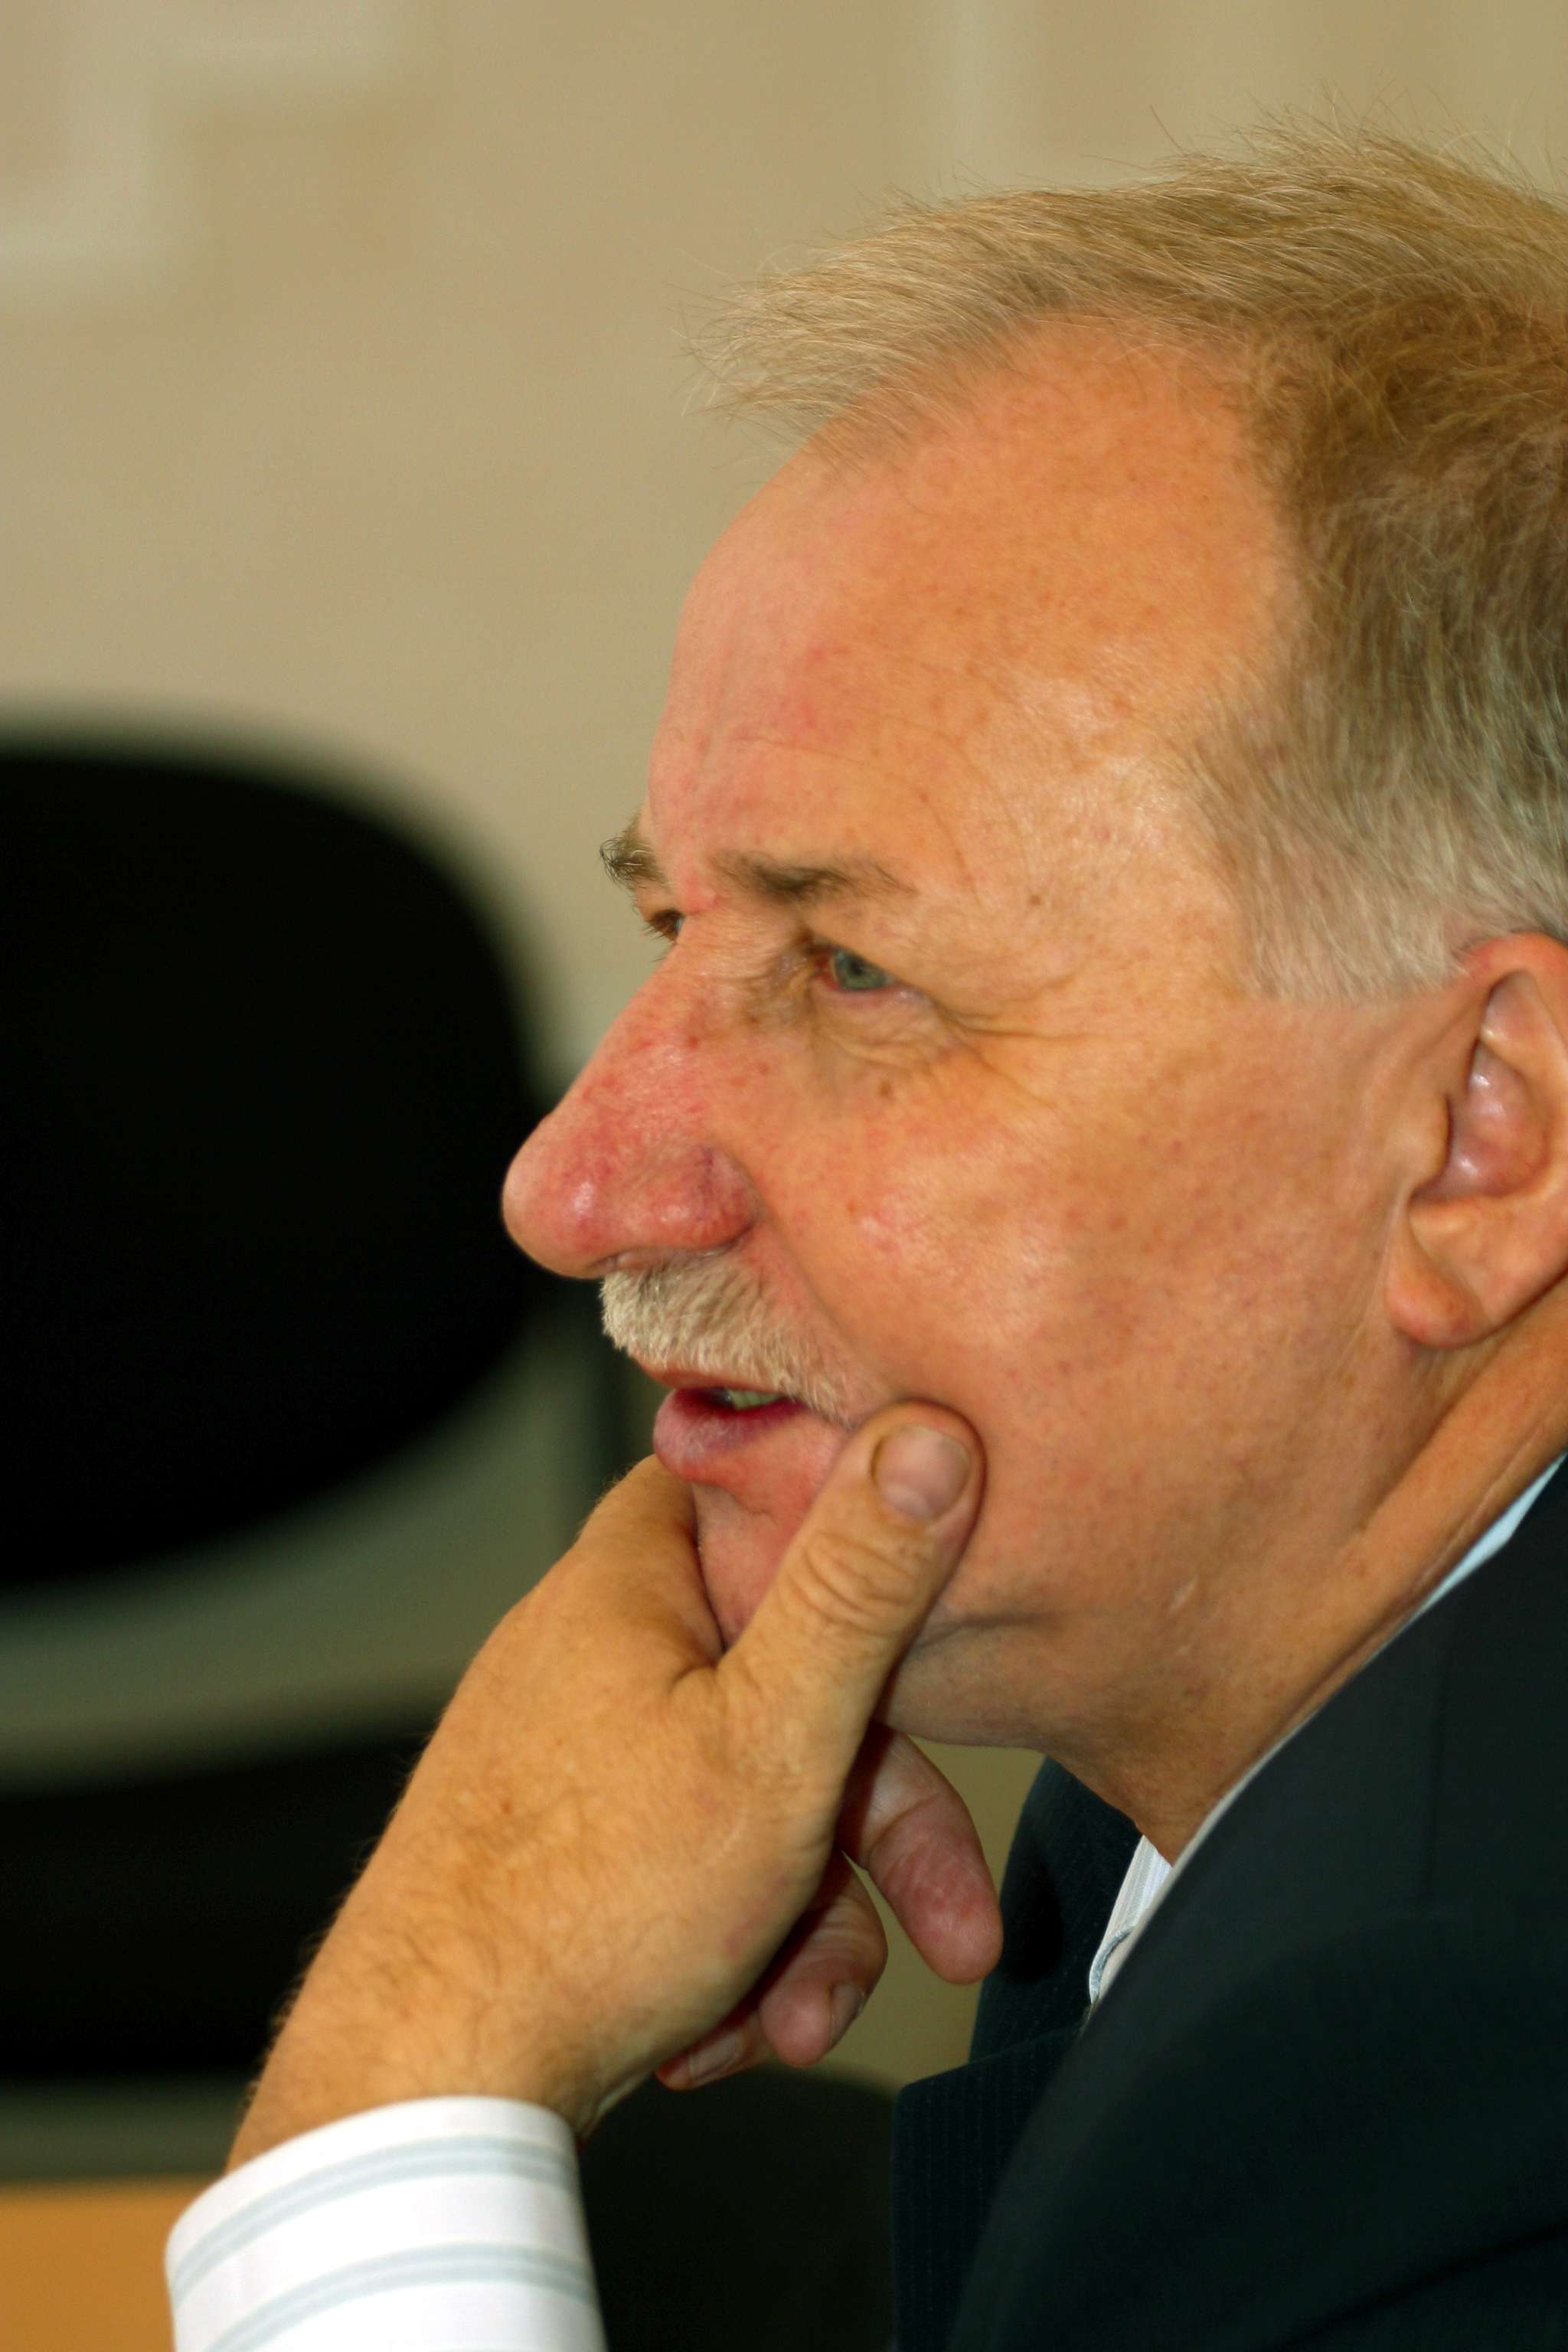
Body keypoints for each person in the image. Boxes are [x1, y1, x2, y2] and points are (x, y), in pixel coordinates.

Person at [168, 124, 1568, 2349]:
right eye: (673, 927)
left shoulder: (1462, 2082)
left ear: (1482, 1136)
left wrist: (415, 2065)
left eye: (850, 974)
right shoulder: (1233, 1748)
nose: (573, 1187)